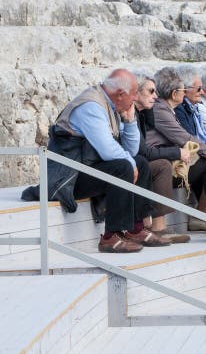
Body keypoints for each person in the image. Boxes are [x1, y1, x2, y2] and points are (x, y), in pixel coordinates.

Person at [39, 69, 170, 252]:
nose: (135, 100)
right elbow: (108, 150)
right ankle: (110, 237)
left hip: (87, 168)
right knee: (124, 166)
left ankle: (135, 228)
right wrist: (130, 163)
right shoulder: (91, 106)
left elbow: (131, 151)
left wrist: (130, 121)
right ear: (120, 94)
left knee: (139, 162)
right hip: (68, 178)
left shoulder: (112, 105)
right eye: (133, 95)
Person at [149, 67, 206, 222]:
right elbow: (184, 138)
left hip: (168, 158)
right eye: (184, 90)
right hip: (160, 162)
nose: (185, 93)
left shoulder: (165, 108)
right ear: (174, 93)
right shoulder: (160, 109)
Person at [132, 71, 190, 244]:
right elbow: (144, 152)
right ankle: (157, 228)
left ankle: (201, 219)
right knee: (162, 165)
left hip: (136, 163)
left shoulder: (142, 113)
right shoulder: (131, 114)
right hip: (127, 167)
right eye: (151, 92)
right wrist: (177, 152)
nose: (156, 97)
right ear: (136, 93)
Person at [173, 66, 206, 144]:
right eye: (199, 89)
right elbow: (191, 141)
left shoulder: (194, 107)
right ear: (185, 89)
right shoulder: (178, 109)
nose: (202, 92)